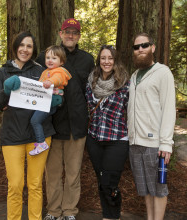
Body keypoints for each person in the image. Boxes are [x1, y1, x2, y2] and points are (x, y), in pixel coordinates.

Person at [0, 31, 55, 220]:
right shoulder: (1, 73)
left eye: (29, 46)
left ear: (33, 50)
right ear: (15, 46)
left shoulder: (40, 71)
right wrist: (6, 90)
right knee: (15, 184)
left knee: (35, 185)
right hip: (12, 136)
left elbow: (49, 101)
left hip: (38, 137)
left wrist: (56, 101)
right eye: (22, 45)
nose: (25, 49)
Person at [36, 18, 95, 220]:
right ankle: (53, 211)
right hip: (51, 124)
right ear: (60, 33)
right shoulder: (46, 56)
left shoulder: (88, 59)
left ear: (78, 36)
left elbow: (92, 90)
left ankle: (69, 211)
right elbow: (34, 85)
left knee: (72, 173)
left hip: (76, 125)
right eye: (66, 32)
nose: (70, 35)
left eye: (74, 32)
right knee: (52, 173)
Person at [127, 33, 176, 220]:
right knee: (145, 189)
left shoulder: (163, 73)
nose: (140, 49)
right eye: (136, 47)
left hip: (155, 144)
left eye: (144, 45)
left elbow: (169, 109)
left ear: (152, 48)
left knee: (158, 189)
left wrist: (166, 143)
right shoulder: (134, 76)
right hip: (135, 143)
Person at [85, 45, 129, 220]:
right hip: (94, 138)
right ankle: (107, 216)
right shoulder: (91, 82)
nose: (106, 61)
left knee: (109, 183)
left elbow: (133, 112)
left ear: (115, 60)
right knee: (102, 181)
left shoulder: (125, 84)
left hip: (117, 140)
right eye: (103, 58)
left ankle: (114, 215)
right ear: (99, 61)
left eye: (110, 58)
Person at [29, 45, 72, 156]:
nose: (50, 60)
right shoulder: (46, 71)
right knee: (36, 119)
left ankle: (41, 142)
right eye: (48, 58)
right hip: (46, 99)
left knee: (35, 120)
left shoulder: (59, 71)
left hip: (53, 99)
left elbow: (57, 79)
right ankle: (40, 141)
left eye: (54, 58)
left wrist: (50, 82)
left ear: (61, 61)